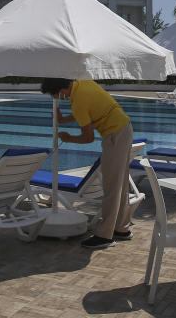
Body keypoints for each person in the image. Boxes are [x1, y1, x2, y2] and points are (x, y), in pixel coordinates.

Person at [40, 78, 134, 249]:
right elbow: (88, 112)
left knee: (112, 186)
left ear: (61, 91)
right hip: (124, 128)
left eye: (55, 95)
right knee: (120, 184)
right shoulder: (84, 84)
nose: (57, 99)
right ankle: (121, 228)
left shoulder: (79, 102)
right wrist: (63, 120)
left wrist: (69, 138)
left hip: (114, 135)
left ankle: (105, 236)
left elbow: (88, 137)